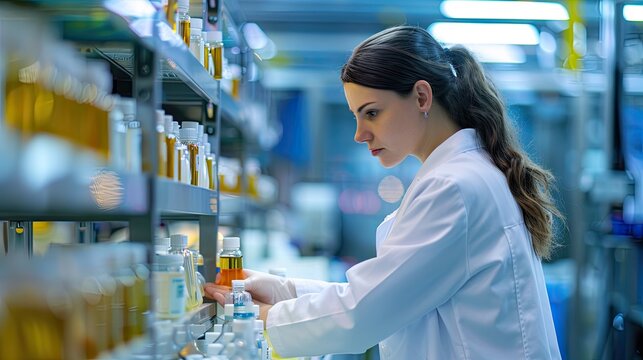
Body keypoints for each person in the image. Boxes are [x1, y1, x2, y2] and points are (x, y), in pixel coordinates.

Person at [205, 25, 563, 359]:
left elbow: (361, 314)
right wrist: (283, 290)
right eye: (356, 116)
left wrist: (261, 315)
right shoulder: (462, 175)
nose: (360, 134)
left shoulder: (454, 187)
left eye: (372, 113)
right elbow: (385, 294)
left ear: (422, 96)